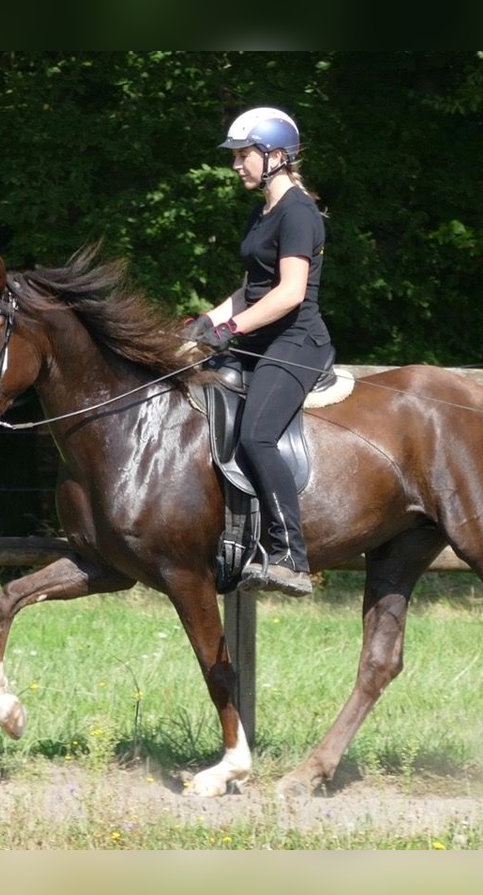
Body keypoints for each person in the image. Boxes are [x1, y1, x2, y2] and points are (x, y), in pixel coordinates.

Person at [182, 106, 333, 597]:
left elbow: (289, 293)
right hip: (260, 339)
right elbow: (252, 289)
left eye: (243, 155)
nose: (236, 165)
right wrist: (206, 323)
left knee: (256, 437)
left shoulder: (299, 213)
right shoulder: (263, 210)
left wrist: (231, 330)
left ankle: (291, 555)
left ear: (275, 155)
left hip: (296, 344)